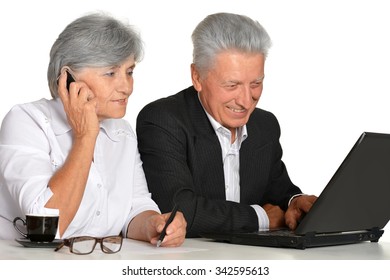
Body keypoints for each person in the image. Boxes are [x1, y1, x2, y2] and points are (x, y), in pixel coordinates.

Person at [0, 12, 186, 247]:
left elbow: (134, 207)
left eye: (129, 72)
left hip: (100, 263)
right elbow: (47, 226)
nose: (126, 87)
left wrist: (155, 224)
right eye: (110, 73)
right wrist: (85, 137)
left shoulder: (122, 132)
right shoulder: (27, 121)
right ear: (67, 78)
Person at [136, 12, 317, 237]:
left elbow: (278, 191)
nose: (245, 100)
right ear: (197, 77)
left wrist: (295, 202)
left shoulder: (265, 125)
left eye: (256, 83)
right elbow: (178, 210)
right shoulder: (162, 120)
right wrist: (260, 218)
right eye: (232, 85)